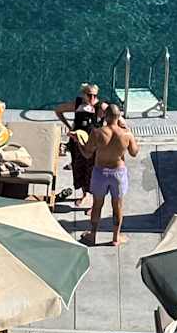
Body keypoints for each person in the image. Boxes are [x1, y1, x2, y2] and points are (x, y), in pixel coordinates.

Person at [81, 103, 139, 245]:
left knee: (97, 205)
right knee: (117, 206)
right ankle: (115, 238)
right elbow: (134, 152)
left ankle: (93, 235)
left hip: (100, 172)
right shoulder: (126, 134)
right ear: (119, 117)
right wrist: (130, 134)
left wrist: (78, 142)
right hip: (118, 173)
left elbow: (87, 153)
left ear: (105, 117)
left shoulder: (97, 133)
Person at [55, 82, 103, 209]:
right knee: (79, 170)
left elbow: (115, 117)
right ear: (83, 94)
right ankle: (85, 194)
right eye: (89, 95)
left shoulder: (100, 107)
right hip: (77, 145)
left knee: (94, 173)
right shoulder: (78, 105)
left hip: (93, 147)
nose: (92, 98)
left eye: (95, 95)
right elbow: (58, 110)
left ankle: (95, 204)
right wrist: (69, 126)